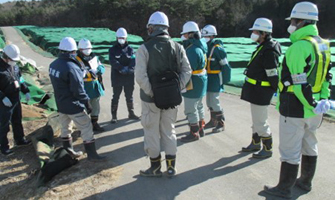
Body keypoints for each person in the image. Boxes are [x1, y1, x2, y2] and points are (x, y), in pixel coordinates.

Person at [264, 2, 332, 198]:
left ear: (301, 21)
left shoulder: (298, 47)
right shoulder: (323, 44)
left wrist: (308, 103)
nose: (291, 24)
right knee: (310, 143)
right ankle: (305, 182)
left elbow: (299, 82)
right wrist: (321, 100)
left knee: (290, 149)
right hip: (317, 107)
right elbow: (327, 76)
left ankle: (284, 187)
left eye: (293, 21)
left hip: (296, 106)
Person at [135, 11, 192, 177]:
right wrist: (176, 88)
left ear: (152, 28)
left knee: (151, 132)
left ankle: (155, 168)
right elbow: (187, 71)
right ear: (166, 28)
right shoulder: (178, 47)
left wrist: (153, 92)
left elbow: (140, 76)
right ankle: (171, 167)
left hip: (150, 99)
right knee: (169, 130)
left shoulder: (144, 48)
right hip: (171, 98)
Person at [49, 37, 106, 162]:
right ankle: (92, 155)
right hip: (73, 105)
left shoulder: (53, 65)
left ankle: (68, 152)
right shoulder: (71, 67)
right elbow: (78, 90)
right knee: (86, 127)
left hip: (61, 103)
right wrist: (86, 103)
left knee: (65, 128)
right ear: (72, 51)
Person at [240, 18, 281, 159]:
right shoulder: (264, 47)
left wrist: (277, 90)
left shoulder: (269, 51)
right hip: (255, 90)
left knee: (260, 121)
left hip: (261, 91)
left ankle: (267, 148)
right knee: (256, 119)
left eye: (256, 31)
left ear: (264, 33)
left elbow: (272, 74)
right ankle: (255, 143)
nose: (254, 34)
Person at [0, 44, 31, 156]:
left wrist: (26, 90)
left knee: (17, 119)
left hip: (16, 98)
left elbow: (20, 79)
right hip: (4, 101)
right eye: (12, 60)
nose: (14, 62)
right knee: (4, 124)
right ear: (6, 57)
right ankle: (4, 147)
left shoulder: (15, 66)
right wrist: (2, 97)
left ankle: (20, 139)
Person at [180, 21, 208, 142]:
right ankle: (201, 129)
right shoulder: (200, 46)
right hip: (201, 81)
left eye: (185, 34)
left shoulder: (192, 50)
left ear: (190, 34)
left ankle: (194, 132)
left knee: (190, 108)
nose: (184, 36)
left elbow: (187, 69)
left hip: (193, 82)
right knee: (199, 105)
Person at [201, 24, 231, 133]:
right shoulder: (206, 46)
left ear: (212, 36)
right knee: (209, 101)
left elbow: (225, 66)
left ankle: (220, 123)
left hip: (215, 78)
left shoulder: (218, 49)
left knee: (214, 101)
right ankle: (213, 120)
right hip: (208, 77)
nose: (205, 38)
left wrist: (224, 81)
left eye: (207, 36)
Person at [109, 27, 140, 123]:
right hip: (117, 76)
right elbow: (112, 61)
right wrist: (120, 68)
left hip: (128, 76)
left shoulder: (130, 49)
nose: (121, 39)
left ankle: (131, 113)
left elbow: (133, 60)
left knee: (129, 96)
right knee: (116, 96)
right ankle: (114, 116)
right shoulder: (112, 50)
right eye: (119, 37)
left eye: (123, 37)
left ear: (126, 38)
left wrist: (130, 69)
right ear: (117, 38)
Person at [77, 38, 105, 132]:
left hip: (95, 86)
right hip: (84, 87)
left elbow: (102, 67)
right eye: (85, 49)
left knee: (95, 106)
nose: (88, 51)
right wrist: (85, 72)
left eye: (89, 48)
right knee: (84, 108)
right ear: (80, 49)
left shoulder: (94, 57)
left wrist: (98, 70)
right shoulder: (76, 59)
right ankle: (85, 127)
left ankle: (94, 123)